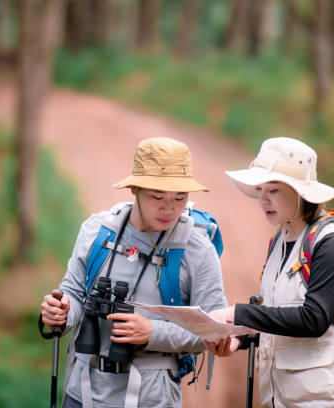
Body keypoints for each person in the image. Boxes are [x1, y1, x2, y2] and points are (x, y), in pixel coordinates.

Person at [40, 137, 227, 408]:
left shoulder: (197, 250)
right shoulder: (97, 231)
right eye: (157, 197)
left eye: (179, 198)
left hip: (152, 400)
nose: (169, 208)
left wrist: (152, 332)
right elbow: (74, 292)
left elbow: (214, 329)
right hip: (82, 394)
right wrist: (62, 313)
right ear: (134, 189)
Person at [206, 137, 334, 408]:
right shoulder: (281, 239)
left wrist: (238, 313)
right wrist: (242, 339)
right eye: (259, 189)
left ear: (301, 192)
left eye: (274, 190)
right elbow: (279, 313)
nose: (263, 199)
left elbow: (313, 319)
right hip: (290, 399)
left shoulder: (332, 243)